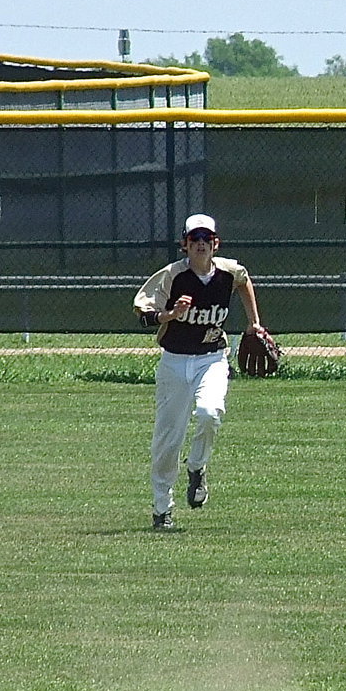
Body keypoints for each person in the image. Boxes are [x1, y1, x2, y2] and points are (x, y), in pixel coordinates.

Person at [132, 213, 266, 531]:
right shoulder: (172, 276)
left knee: (209, 412)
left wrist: (254, 323)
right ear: (185, 245)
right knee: (168, 439)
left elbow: (244, 281)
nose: (201, 244)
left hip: (212, 358)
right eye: (195, 240)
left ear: (216, 244)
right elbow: (142, 312)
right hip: (175, 361)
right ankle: (162, 508)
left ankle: (197, 467)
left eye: (207, 239)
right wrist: (171, 314)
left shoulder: (227, 272)